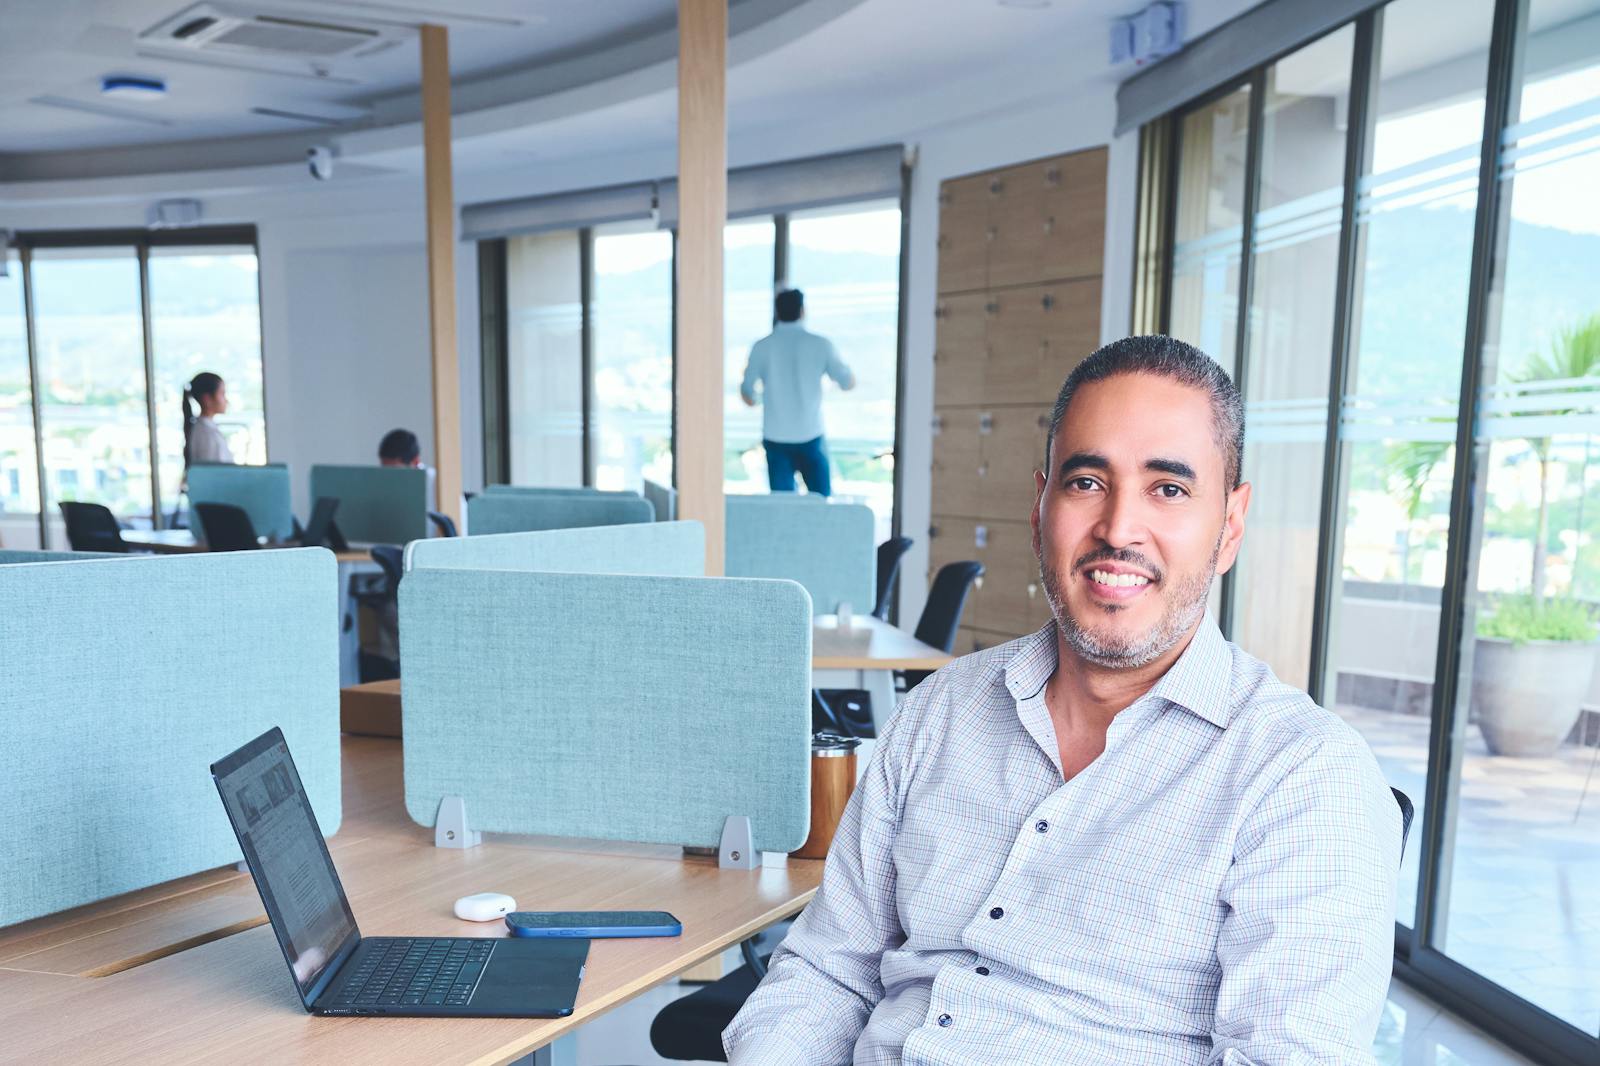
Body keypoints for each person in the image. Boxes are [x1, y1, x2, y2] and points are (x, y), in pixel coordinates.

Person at [724, 335, 1402, 1064]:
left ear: (1229, 525)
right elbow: (828, 970)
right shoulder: (940, 709)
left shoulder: (1302, 775)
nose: (1117, 529)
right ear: (1040, 504)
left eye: (1168, 489)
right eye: (1087, 482)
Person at [740, 288, 855, 496]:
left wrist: (759, 399)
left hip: (775, 436)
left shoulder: (762, 346)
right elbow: (847, 382)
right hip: (811, 433)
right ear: (803, 311)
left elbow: (748, 393)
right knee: (822, 503)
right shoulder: (821, 344)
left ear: (777, 312)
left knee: (784, 508)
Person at [182, 372, 232, 467]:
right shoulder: (206, 434)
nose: (226, 400)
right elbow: (214, 474)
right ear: (207, 399)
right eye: (222, 393)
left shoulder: (205, 428)